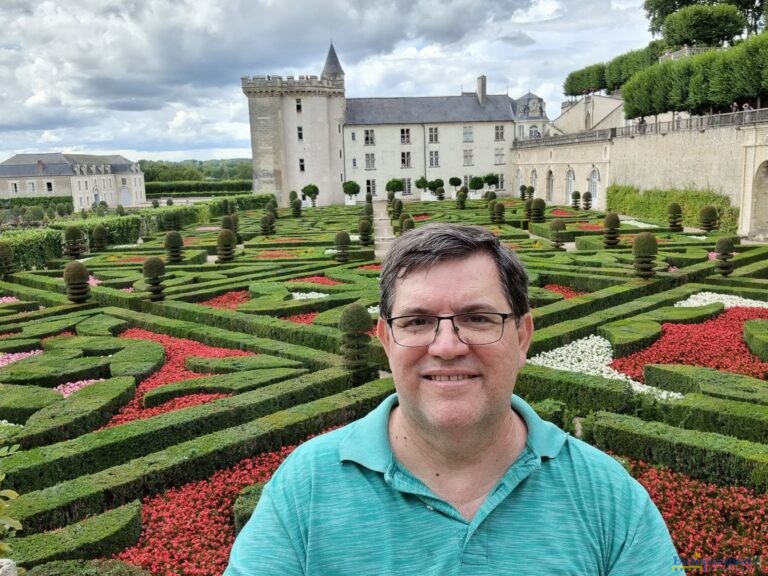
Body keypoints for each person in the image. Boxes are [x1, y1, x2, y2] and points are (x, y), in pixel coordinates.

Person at [225, 223, 681, 575]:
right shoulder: (304, 487)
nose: (446, 346)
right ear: (386, 339)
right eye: (417, 322)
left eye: (478, 318)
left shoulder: (607, 495)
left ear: (522, 336)